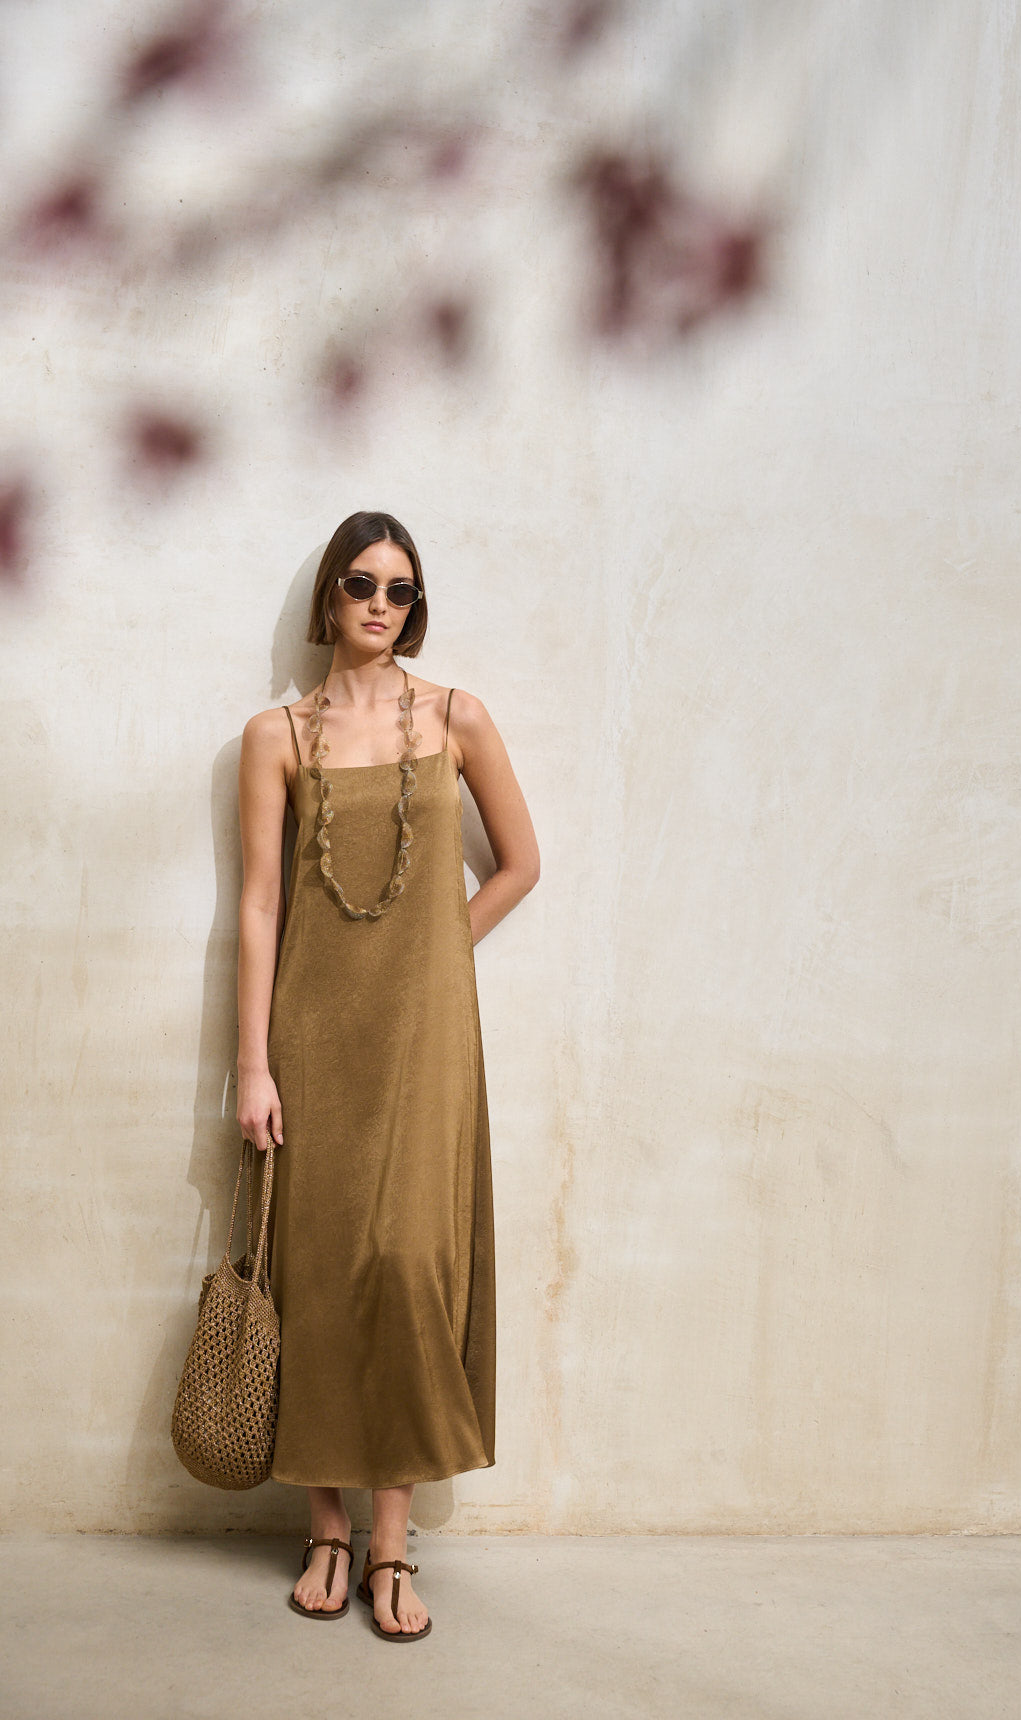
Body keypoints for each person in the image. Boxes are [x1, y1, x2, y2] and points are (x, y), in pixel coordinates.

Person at [235, 511, 540, 1639]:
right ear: (330, 595)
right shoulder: (276, 735)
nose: (379, 604)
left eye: (400, 589)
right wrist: (252, 1063)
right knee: (316, 1269)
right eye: (361, 583)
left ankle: (393, 1542)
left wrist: (434, 950)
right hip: (312, 1032)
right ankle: (326, 1528)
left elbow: (521, 864)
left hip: (425, 1034)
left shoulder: (457, 718)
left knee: (409, 1264)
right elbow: (259, 904)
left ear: (416, 605)